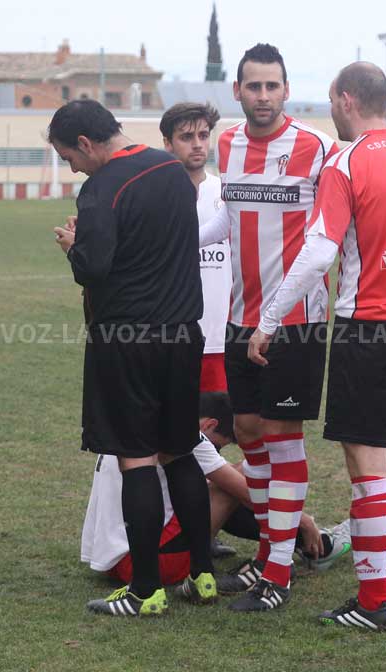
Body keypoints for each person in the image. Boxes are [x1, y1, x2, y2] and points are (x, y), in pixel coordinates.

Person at [248, 62, 386, 631]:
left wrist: (270, 319)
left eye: (331, 100)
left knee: (366, 465)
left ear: (347, 100)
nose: (330, 110)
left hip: (368, 328)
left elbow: (320, 251)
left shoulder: (345, 162)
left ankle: (373, 602)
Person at [50, 99, 214, 617]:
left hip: (128, 339)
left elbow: (93, 268)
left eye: (69, 158)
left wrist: (74, 246)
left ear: (85, 143)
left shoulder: (102, 186)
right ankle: (203, 575)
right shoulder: (172, 170)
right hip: (184, 334)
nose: (73, 169)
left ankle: (145, 590)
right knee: (180, 452)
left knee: (137, 459)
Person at [199, 43, 339, 612]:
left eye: (272, 86)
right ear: (237, 91)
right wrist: (174, 241)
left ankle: (277, 572)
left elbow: (331, 234)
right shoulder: (227, 143)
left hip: (296, 322)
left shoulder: (317, 148)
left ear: (286, 90)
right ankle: (267, 555)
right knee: (249, 431)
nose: (263, 96)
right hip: (240, 317)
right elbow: (227, 218)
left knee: (282, 437)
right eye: (253, 86)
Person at [81, 392, 352, 586]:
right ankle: (316, 545)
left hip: (112, 561)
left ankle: (297, 544)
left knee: (222, 480)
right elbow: (246, 491)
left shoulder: (136, 422)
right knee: (241, 477)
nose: (216, 451)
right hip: (149, 564)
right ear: (209, 424)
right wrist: (303, 520)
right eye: (219, 445)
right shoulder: (188, 435)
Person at [159, 102, 231, 394]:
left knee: (220, 417)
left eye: (203, 135)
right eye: (187, 137)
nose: (198, 144)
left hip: (223, 335)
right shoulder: (155, 195)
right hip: (171, 335)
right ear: (168, 143)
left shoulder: (227, 193)